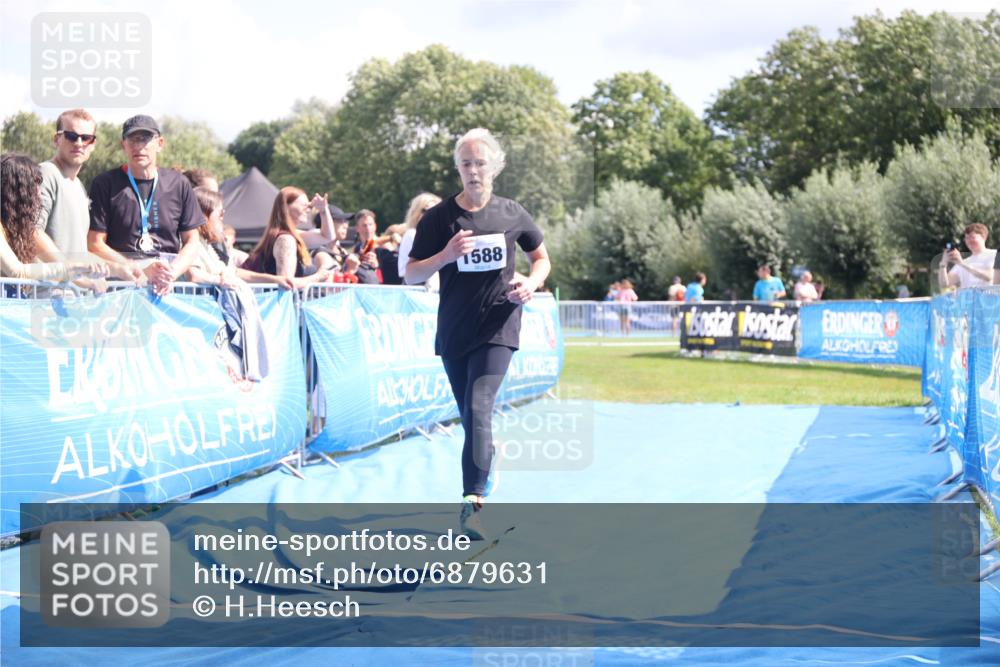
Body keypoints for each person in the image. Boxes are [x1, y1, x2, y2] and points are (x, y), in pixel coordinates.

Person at [406, 128, 550, 539]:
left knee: (478, 406)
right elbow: (412, 273)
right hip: (455, 330)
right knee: (472, 417)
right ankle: (485, 454)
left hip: (499, 324)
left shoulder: (511, 213)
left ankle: (472, 507)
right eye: (466, 163)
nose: (473, 170)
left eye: (480, 163)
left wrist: (533, 282)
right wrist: (446, 255)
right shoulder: (439, 219)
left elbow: (541, 258)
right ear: (457, 169)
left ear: (494, 167)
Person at [87, 115, 202, 295]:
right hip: (122, 286)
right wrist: (139, 269)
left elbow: (193, 240)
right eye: (132, 139)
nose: (138, 146)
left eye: (145, 139)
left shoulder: (179, 184)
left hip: (167, 284)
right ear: (123, 144)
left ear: (160, 144)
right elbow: (94, 243)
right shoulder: (105, 183)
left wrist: (171, 273)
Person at [2, 153, 108, 282]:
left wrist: (89, 274)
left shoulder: (13, 228)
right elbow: (18, 272)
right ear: (15, 192)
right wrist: (72, 269)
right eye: (33, 185)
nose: (38, 192)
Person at [243, 187, 333, 287]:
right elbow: (286, 283)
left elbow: (327, 237)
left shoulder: (289, 235)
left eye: (309, 206)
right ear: (286, 207)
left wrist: (323, 210)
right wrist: (318, 277)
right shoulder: (285, 239)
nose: (308, 210)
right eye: (304, 205)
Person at [398, 192, 443, 291]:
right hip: (416, 288)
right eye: (425, 210)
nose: (430, 214)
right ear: (416, 212)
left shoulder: (438, 236)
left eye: (436, 210)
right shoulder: (412, 234)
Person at [939, 223, 996, 290]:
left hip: (988, 299)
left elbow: (989, 276)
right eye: (966, 238)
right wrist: (943, 264)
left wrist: (962, 264)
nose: (969, 241)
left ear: (983, 237)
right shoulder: (964, 262)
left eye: (972, 237)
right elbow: (945, 284)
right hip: (968, 299)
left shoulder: (994, 254)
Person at [352, 209, 382, 284]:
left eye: (370, 225)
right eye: (364, 225)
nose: (368, 228)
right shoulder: (356, 248)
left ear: (375, 226)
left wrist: (377, 266)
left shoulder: (384, 246)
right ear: (357, 228)